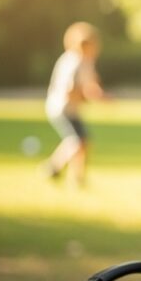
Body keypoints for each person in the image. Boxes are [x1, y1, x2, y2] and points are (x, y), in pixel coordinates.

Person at [43, 21, 105, 186]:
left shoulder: (86, 62)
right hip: (62, 108)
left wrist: (97, 93)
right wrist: (88, 95)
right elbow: (69, 90)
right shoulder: (72, 61)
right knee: (77, 141)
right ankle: (54, 167)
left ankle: (72, 175)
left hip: (71, 109)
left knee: (81, 141)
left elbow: (91, 83)